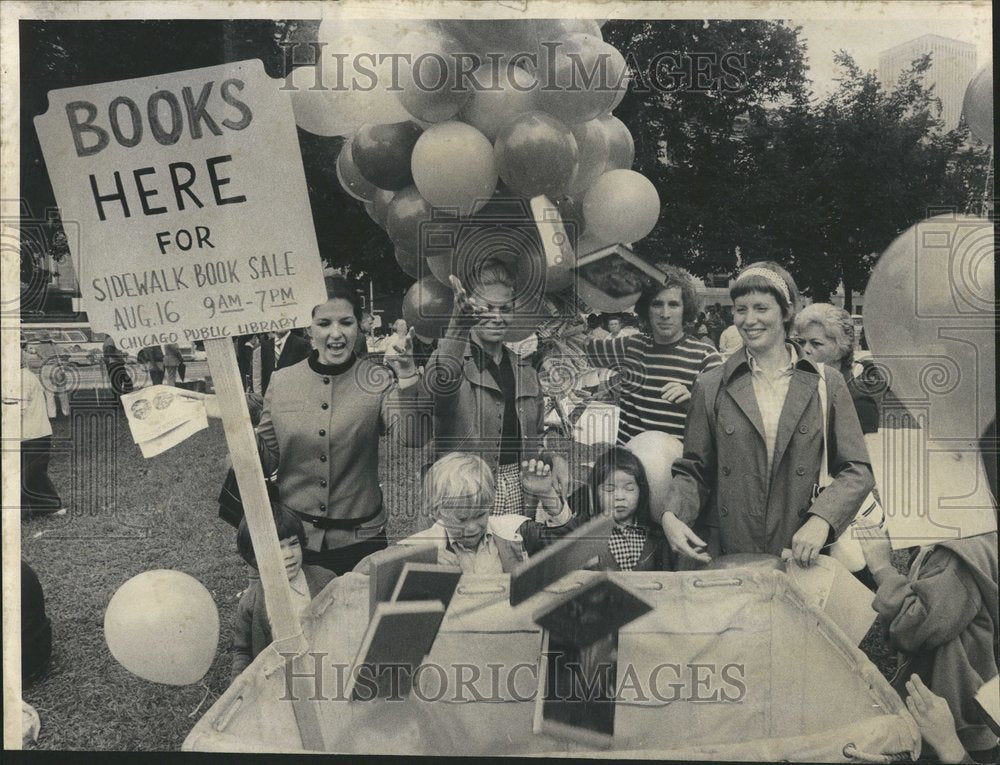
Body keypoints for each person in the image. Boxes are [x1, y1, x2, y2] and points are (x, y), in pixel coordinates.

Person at [656, 261, 875, 567]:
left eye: (761, 308)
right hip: (729, 553)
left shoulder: (827, 383)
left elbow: (857, 470)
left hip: (798, 553)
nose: (749, 320)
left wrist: (822, 520)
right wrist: (672, 513)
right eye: (740, 309)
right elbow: (694, 469)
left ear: (786, 312)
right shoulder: (711, 385)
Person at [251, 275, 422, 574]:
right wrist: (242, 438)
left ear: (359, 325)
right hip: (297, 544)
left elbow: (413, 437)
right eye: (324, 323)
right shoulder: (282, 382)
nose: (336, 334)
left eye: (346, 322)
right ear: (308, 328)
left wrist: (407, 377)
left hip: (361, 542)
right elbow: (265, 460)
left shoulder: (377, 378)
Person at [419, 261, 553, 517]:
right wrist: (457, 326)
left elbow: (535, 437)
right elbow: (433, 397)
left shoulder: (526, 371)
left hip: (518, 493)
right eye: (487, 308)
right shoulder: (450, 359)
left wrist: (552, 460)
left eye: (505, 308)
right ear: (468, 308)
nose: (497, 317)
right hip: (461, 495)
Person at [862, 524, 998, 760]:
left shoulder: (956, 557)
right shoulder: (956, 538)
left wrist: (882, 569)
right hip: (948, 705)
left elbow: (913, 627)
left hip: (954, 720)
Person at [586, 265, 722, 443]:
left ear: (685, 309)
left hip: (676, 466)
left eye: (673, 304)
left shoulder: (705, 357)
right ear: (646, 309)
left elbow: (724, 421)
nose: (665, 314)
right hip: (628, 463)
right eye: (657, 304)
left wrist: (693, 404)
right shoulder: (631, 346)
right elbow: (582, 350)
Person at [380, 452, 575, 574]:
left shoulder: (512, 530)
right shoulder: (428, 543)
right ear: (436, 512)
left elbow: (570, 544)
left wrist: (548, 494)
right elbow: (362, 569)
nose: (472, 527)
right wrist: (414, 558)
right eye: (462, 519)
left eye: (481, 514)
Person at [230, 508, 335, 682]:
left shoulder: (325, 580)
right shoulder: (251, 603)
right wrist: (239, 683)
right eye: (278, 548)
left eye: (294, 543)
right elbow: (243, 651)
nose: (289, 555)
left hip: (328, 669)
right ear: (256, 557)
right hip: (280, 680)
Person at [569, 446, 669, 571]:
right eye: (610, 489)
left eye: (629, 489)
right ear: (594, 492)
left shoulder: (657, 538)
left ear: (641, 491)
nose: (620, 497)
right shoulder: (585, 535)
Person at [794, 303, 887, 434]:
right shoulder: (797, 390)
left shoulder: (859, 403)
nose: (805, 350)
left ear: (841, 349)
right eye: (801, 342)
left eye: (816, 343)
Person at [19, 341, 66, 518]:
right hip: (36, 432)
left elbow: (17, 411)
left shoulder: (20, 379)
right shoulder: (25, 375)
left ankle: (47, 507)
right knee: (32, 473)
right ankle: (45, 507)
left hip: (29, 433)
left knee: (29, 474)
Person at [33, 331, 70, 418]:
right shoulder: (56, 346)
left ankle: (51, 414)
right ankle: (65, 412)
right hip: (56, 368)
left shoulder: (38, 347)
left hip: (45, 368)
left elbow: (37, 355)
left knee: (49, 393)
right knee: (62, 391)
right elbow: (65, 355)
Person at [102, 336, 133, 401]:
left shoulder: (107, 340)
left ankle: (119, 402)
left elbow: (108, 353)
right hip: (115, 364)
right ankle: (123, 401)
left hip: (113, 364)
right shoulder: (111, 339)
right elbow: (110, 352)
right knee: (126, 383)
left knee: (119, 384)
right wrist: (120, 360)